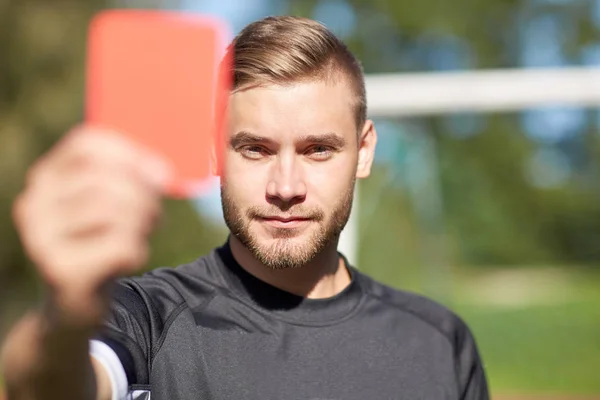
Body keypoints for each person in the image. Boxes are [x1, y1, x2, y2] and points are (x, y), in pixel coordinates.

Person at [0, 15, 489, 400]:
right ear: (214, 152)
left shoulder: (439, 343)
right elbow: (54, 386)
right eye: (254, 148)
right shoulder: (145, 319)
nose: (285, 186)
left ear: (363, 153)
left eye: (319, 149)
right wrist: (65, 313)